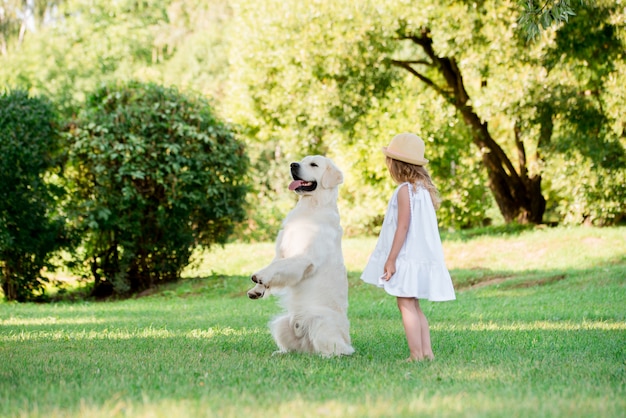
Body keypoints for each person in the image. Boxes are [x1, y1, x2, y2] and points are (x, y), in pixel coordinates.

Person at [361, 133, 456, 362]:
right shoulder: (422, 190)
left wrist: (391, 259)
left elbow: (402, 227)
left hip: (406, 257)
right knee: (414, 306)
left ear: (396, 165)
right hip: (419, 256)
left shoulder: (405, 190)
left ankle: (416, 354)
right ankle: (427, 353)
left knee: (405, 304)